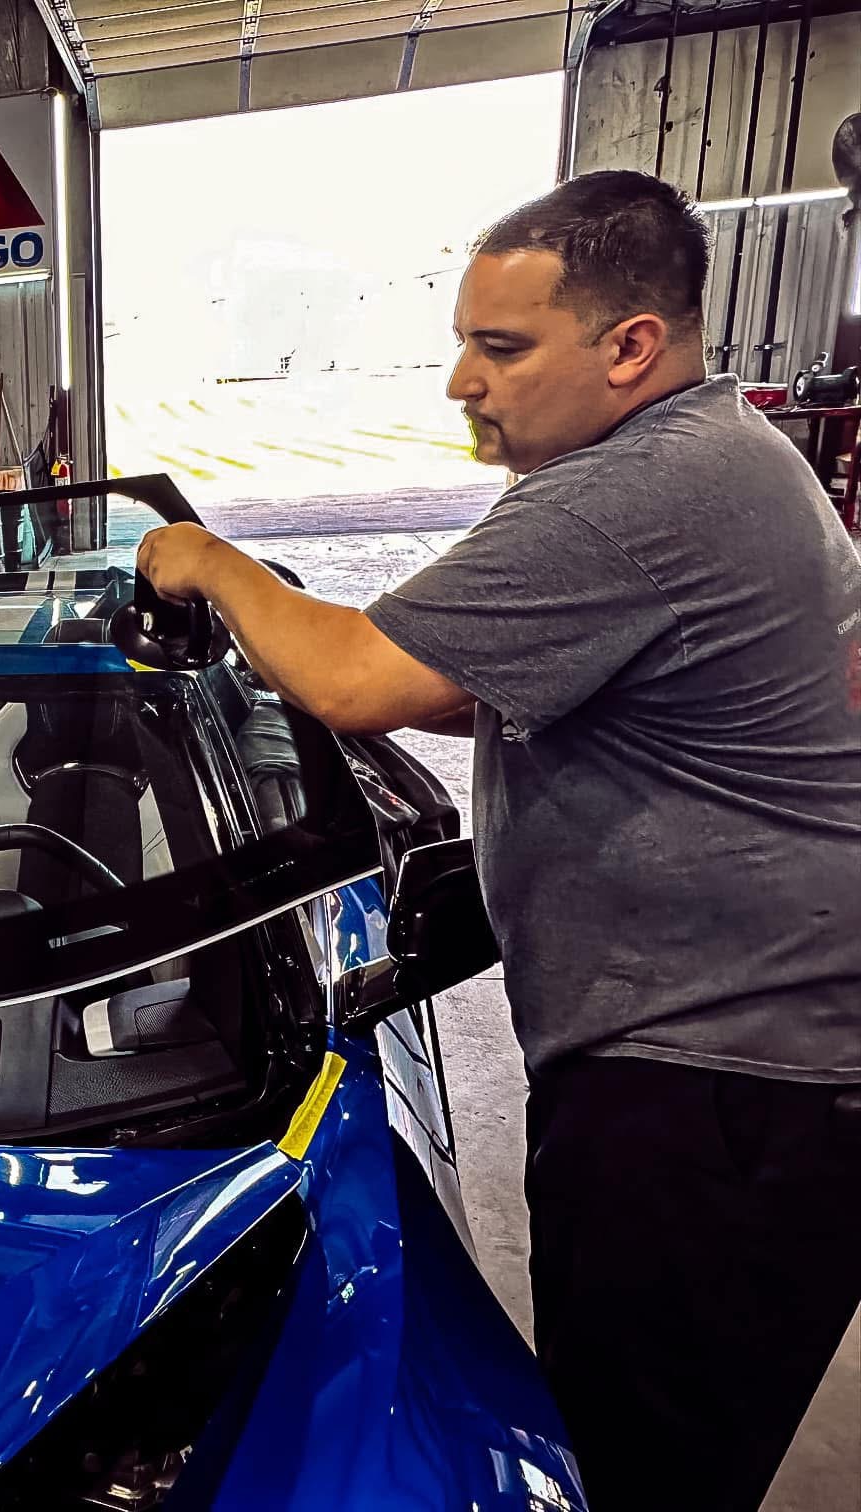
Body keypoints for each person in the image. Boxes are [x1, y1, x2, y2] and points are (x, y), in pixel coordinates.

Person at [137, 170, 861, 1510]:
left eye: (503, 347)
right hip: (761, 1066)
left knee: (639, 1467)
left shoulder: (627, 496)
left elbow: (355, 678)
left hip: (719, 1090)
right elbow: (490, 681)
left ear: (629, 345)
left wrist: (211, 562)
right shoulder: (719, 454)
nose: (462, 382)